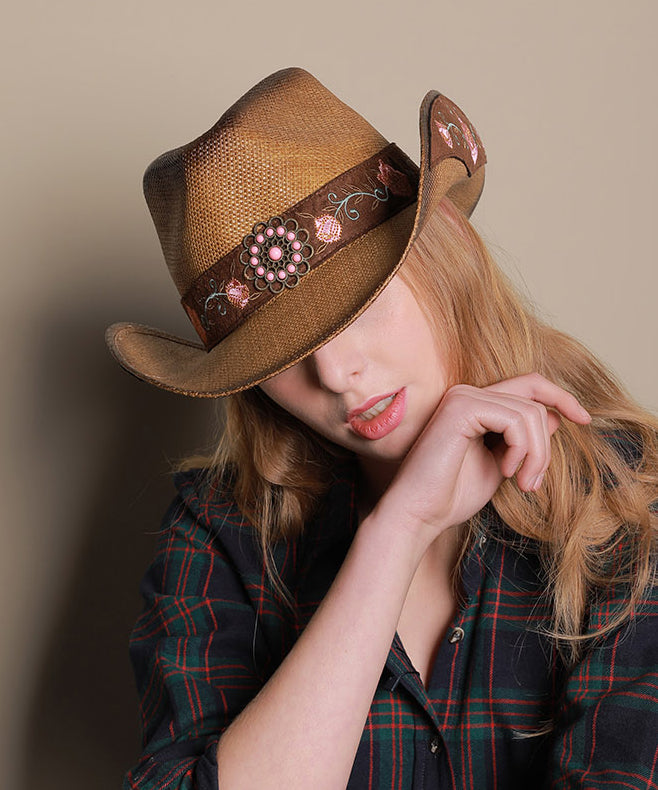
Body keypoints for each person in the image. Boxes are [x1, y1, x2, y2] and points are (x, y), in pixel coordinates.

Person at [107, 68, 658, 790]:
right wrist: (396, 533)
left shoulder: (628, 503)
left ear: (446, 259)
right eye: (282, 351)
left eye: (363, 306)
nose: (336, 375)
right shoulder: (221, 531)